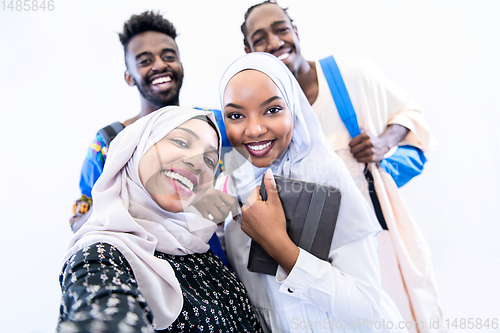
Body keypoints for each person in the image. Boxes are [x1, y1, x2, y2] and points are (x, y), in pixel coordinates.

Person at [240, 2, 444, 332]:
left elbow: (410, 114)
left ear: (296, 30)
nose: (276, 42)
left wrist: (383, 142)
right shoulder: (262, 106)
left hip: (376, 235)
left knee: (396, 312)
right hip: (318, 252)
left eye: (281, 29)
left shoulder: (347, 75)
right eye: (260, 38)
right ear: (249, 50)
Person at [217, 52, 409, 333]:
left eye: (272, 110)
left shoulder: (327, 176)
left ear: (294, 108)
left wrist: (280, 246)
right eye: (236, 115)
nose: (255, 129)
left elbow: (367, 309)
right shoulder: (231, 181)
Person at [57, 107, 263, 332]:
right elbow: (104, 308)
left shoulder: (195, 247)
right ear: (137, 148)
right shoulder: (101, 255)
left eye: (210, 160)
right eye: (182, 142)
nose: (198, 163)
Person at [70, 11, 232, 264]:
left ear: (181, 65)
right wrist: (124, 191)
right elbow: (79, 222)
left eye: (169, 56)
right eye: (145, 60)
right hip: (142, 272)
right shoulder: (109, 141)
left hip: (213, 270)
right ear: (128, 76)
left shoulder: (214, 124)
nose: (159, 64)